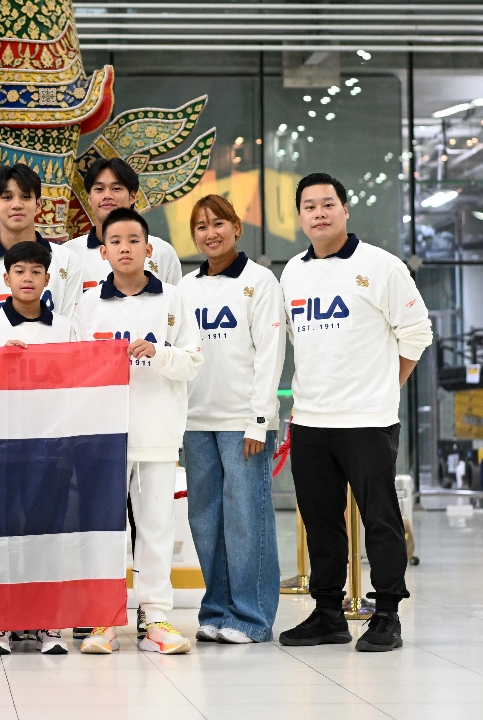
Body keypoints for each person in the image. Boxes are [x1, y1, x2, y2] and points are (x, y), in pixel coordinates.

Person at [277, 172, 432, 653]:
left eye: (328, 204)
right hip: (310, 420)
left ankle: (387, 614)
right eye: (309, 206)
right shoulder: (292, 272)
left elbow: (417, 332)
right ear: (300, 217)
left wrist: (387, 385)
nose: (319, 213)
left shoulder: (381, 266)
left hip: (367, 420)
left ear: (345, 210)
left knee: (379, 519)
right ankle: (328, 613)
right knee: (321, 521)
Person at [73, 207, 202, 656]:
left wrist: (159, 353)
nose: (124, 248)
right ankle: (104, 619)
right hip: (103, 437)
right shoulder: (88, 304)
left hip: (157, 432)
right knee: (105, 531)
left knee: (156, 528)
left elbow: (192, 362)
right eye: (115, 241)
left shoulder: (173, 298)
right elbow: (74, 367)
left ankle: (157, 620)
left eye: (133, 241)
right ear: (103, 251)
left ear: (149, 249)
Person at [0, 240, 76, 656]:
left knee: (48, 535)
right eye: (19, 271)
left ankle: (48, 622)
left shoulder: (65, 328)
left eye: (36, 272)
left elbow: (77, 381)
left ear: (48, 279)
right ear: (5, 279)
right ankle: (0, 622)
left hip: (50, 448)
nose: (28, 278)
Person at [177, 194, 285, 644]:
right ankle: (217, 611)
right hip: (196, 420)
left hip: (243, 422)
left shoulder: (260, 281)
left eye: (218, 223)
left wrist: (259, 419)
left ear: (236, 228)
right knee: (206, 521)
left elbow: (270, 354)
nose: (211, 233)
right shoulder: (185, 287)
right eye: (201, 226)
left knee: (246, 519)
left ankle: (251, 617)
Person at [0, 164, 80, 337]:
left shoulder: (67, 260)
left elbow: (71, 331)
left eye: (25, 197)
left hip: (54, 355)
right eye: (7, 197)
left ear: (38, 205)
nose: (17, 205)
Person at [74, 157, 183, 290]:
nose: (107, 195)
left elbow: (175, 301)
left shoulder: (162, 252)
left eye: (116, 188)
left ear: (132, 197)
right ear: (89, 199)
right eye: (99, 189)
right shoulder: (70, 254)